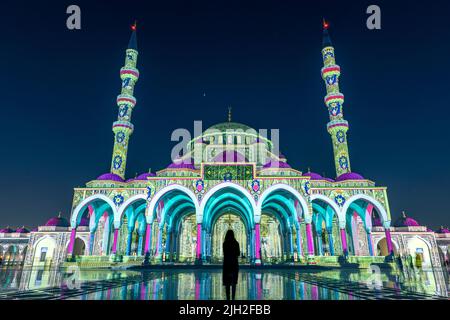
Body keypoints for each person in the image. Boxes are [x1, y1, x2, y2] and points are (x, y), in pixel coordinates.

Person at [223, 229, 240, 300]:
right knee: (233, 282)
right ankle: (233, 297)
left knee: (227, 283)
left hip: (227, 264)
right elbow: (238, 253)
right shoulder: (236, 243)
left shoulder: (225, 243)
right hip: (234, 264)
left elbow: (224, 253)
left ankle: (228, 297)